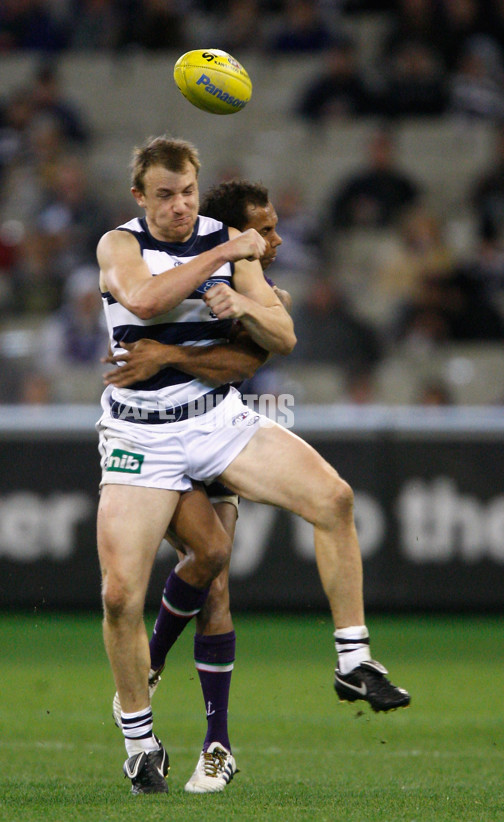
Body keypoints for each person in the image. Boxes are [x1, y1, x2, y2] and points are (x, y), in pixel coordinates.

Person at [95, 136, 410, 796]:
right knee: (120, 594)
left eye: (187, 193)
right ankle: (139, 741)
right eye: (164, 196)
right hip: (140, 435)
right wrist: (224, 256)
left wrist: (243, 301)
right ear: (139, 197)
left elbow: (284, 334)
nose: (180, 207)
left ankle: (353, 658)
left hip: (216, 420)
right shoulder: (119, 245)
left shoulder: (226, 239)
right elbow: (146, 302)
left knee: (335, 499)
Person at [107, 178, 288, 793]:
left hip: (219, 432)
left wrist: (167, 356)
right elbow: (135, 317)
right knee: (210, 574)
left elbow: (244, 362)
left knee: (216, 572)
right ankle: (199, 730)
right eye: (262, 229)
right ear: (234, 231)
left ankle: (208, 734)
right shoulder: (168, 269)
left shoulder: (256, 290)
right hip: (158, 437)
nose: (273, 238)